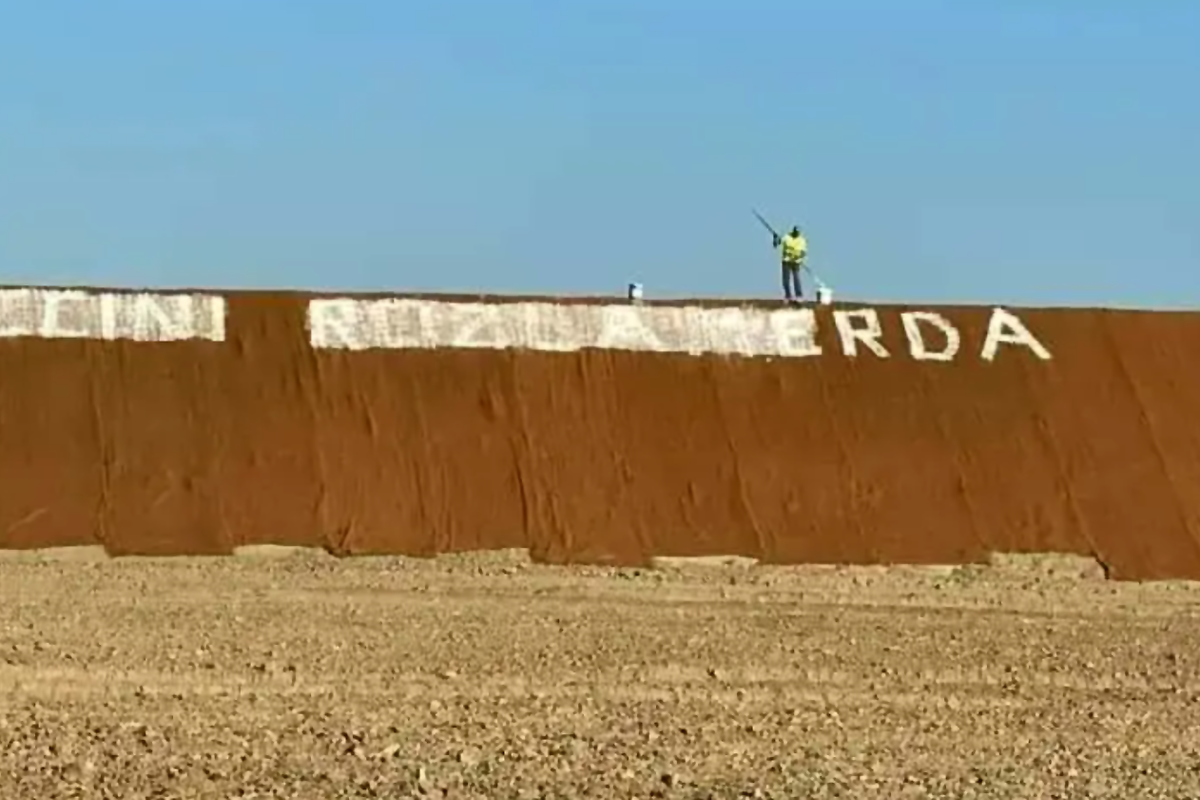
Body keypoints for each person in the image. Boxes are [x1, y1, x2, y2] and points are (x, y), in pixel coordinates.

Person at [772, 225, 807, 303]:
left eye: (797, 232)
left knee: (796, 279)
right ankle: (788, 296)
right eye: (795, 232)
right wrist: (775, 238)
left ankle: (799, 296)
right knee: (785, 280)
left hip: (796, 262)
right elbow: (776, 244)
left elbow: (803, 252)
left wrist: (798, 256)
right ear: (793, 231)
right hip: (786, 261)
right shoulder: (786, 237)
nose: (796, 233)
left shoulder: (802, 240)